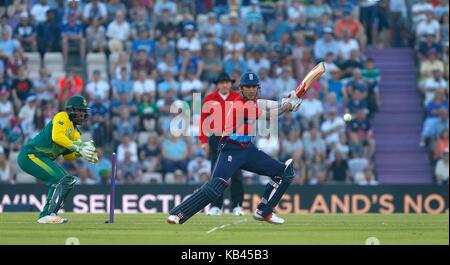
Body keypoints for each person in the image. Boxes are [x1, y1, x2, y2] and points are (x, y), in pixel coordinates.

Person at [168, 72, 300, 225]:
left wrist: (285, 100)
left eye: (253, 87)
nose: (251, 90)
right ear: (241, 89)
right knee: (216, 186)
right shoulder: (240, 104)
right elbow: (269, 115)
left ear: (258, 88)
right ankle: (178, 214)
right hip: (230, 149)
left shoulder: (253, 101)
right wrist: (287, 106)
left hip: (247, 150)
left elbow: (267, 104)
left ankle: (264, 210)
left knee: (285, 173)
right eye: (247, 87)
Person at [17, 95, 98, 224]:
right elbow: (57, 137)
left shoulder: (77, 133)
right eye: (80, 110)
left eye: (84, 111)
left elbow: (68, 155)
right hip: (30, 155)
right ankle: (47, 214)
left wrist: (83, 153)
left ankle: (49, 214)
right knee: (60, 179)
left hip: (42, 158)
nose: (82, 114)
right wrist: (79, 146)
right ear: (71, 110)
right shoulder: (62, 116)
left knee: (67, 180)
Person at [199, 72, 245, 216]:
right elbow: (203, 121)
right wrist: (204, 141)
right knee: (216, 172)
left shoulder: (238, 97)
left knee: (236, 172)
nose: (224, 85)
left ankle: (237, 205)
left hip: (235, 136)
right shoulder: (210, 98)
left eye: (227, 82)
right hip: (216, 137)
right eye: (222, 82)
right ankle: (215, 206)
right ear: (217, 84)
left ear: (230, 83)